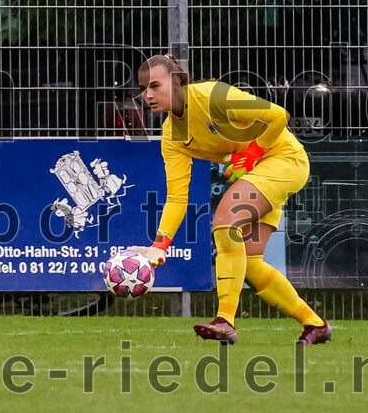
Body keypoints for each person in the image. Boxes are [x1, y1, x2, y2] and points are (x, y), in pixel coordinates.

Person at [129, 54, 331, 345]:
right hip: (260, 170)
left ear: (176, 82)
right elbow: (176, 197)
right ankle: (315, 324)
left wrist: (251, 154)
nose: (147, 95)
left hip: (284, 159)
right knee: (248, 263)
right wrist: (159, 247)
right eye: (144, 88)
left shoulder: (213, 95)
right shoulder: (171, 134)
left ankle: (225, 321)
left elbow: (278, 115)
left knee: (225, 221)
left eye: (155, 86)